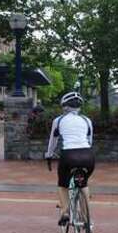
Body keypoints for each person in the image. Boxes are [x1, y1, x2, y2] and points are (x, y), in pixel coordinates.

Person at [44, 92, 94, 226]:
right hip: (87, 156)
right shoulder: (86, 120)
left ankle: (65, 213)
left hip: (69, 156)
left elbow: (53, 141)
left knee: (62, 185)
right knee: (84, 183)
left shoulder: (58, 120)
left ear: (64, 107)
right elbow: (90, 140)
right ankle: (86, 218)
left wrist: (48, 155)